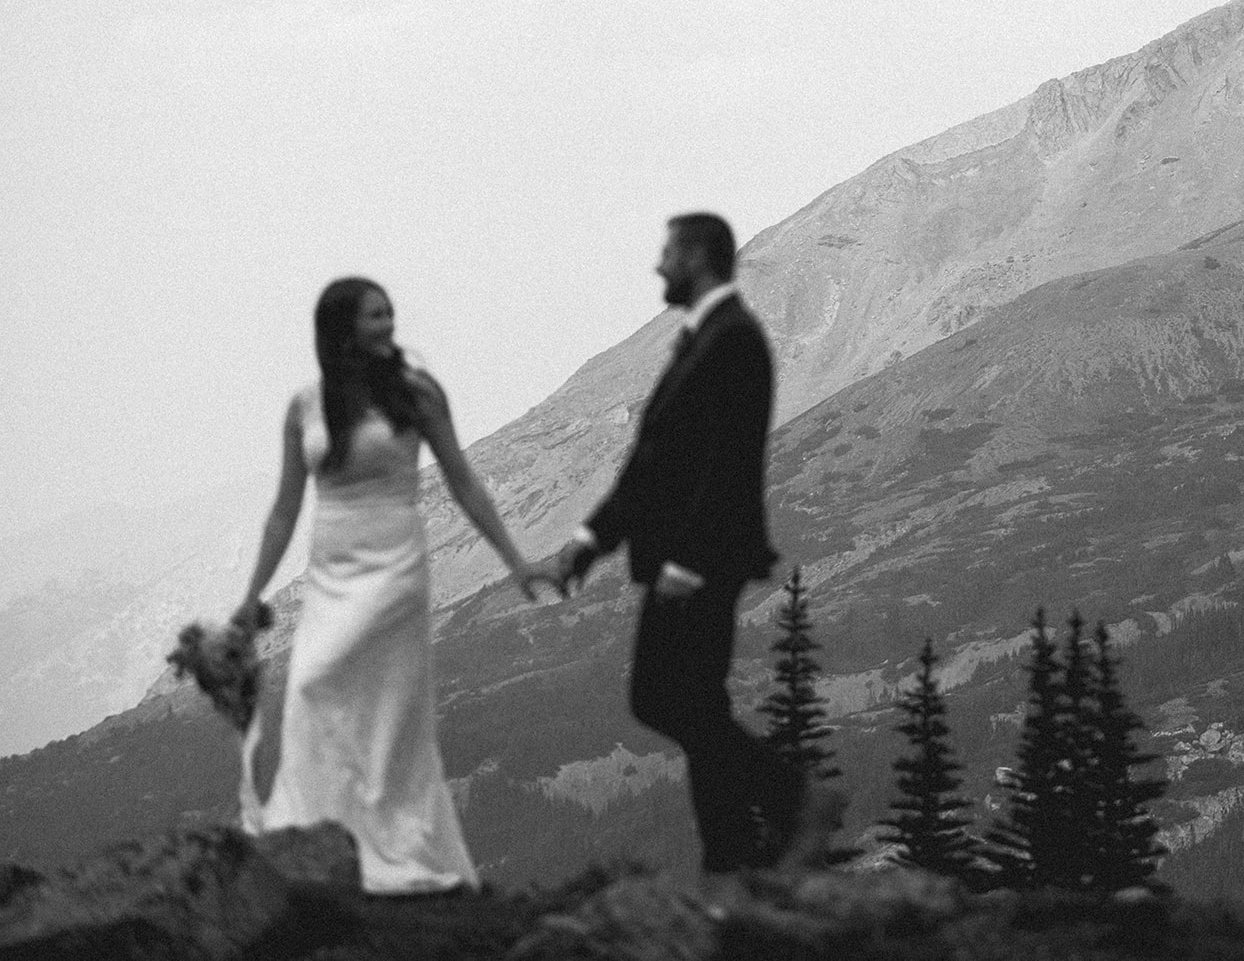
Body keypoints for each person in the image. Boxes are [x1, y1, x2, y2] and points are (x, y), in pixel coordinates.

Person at [550, 212, 847, 877]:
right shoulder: (703, 338)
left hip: (699, 562)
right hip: (689, 558)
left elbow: (726, 463)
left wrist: (687, 560)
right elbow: (652, 462)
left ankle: (793, 796)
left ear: (697, 258)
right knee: (694, 704)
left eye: (667, 254)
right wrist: (590, 538)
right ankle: (731, 857)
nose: (657, 267)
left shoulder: (732, 340)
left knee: (661, 697)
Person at [232, 276, 547, 895]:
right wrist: (252, 595)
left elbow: (464, 482)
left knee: (389, 712)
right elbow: (282, 510)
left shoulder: (417, 394)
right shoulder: (305, 405)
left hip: (396, 564)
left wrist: (515, 559)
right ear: (342, 327)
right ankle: (323, 834)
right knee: (312, 687)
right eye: (375, 316)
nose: (389, 325)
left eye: (389, 313)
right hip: (330, 569)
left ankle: (397, 843)